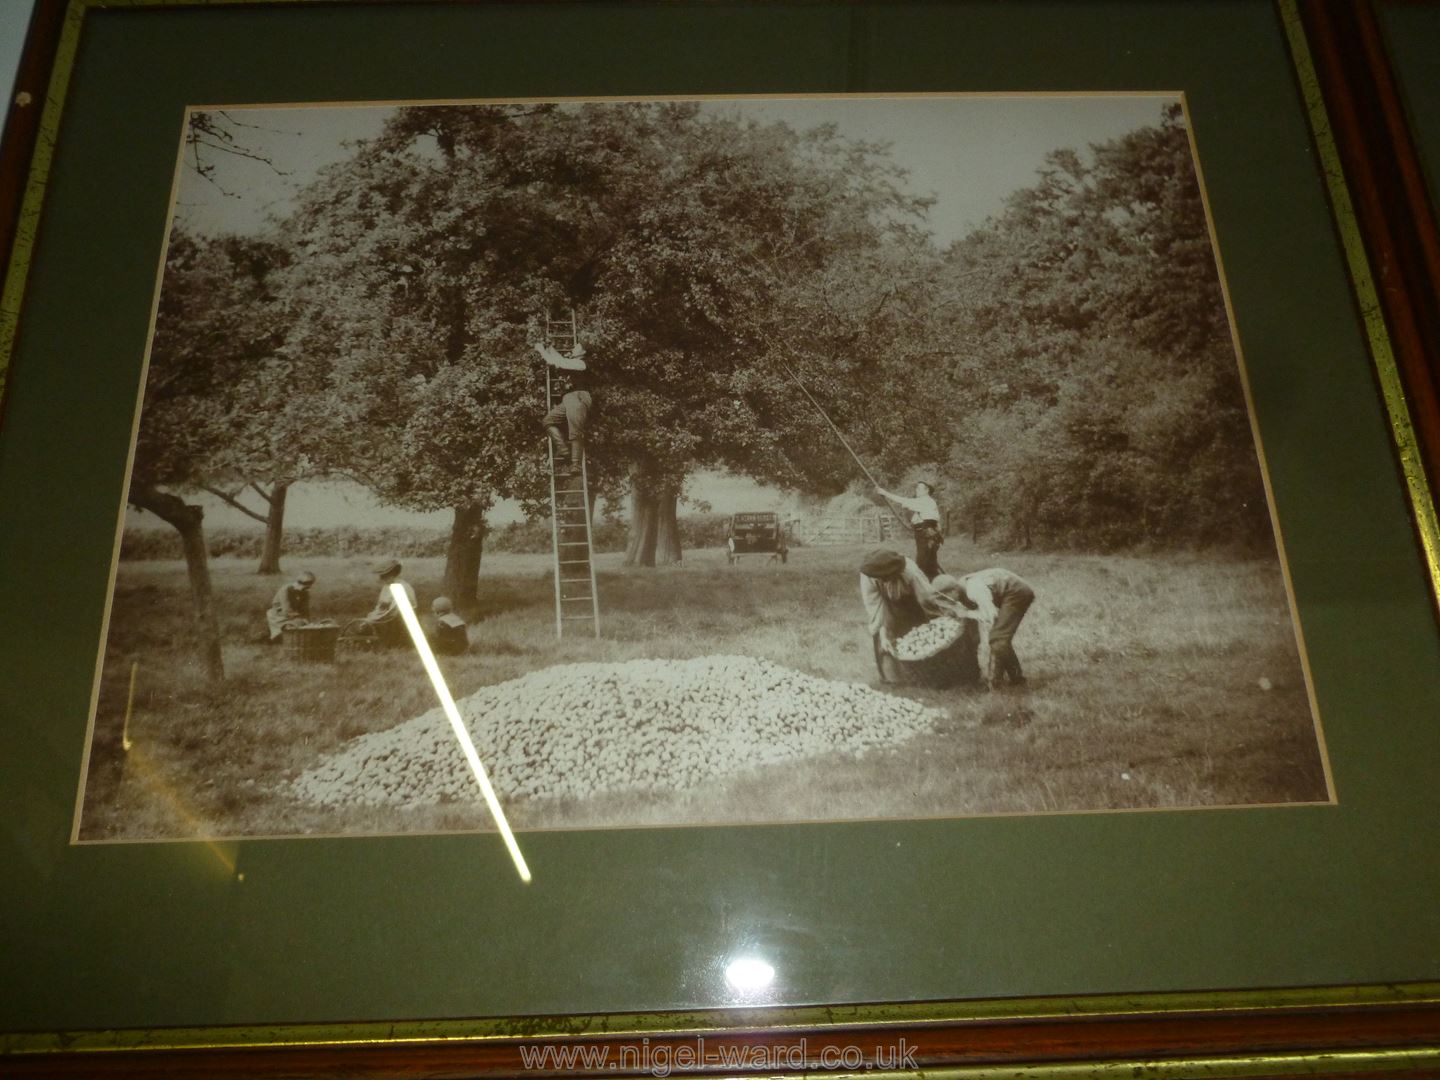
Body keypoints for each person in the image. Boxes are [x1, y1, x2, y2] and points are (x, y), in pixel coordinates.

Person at [858, 547, 977, 687]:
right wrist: (883, 634)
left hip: (910, 601)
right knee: (884, 639)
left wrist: (944, 617)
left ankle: (936, 675)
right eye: (881, 578)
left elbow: (927, 597)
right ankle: (893, 679)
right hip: (886, 605)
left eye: (887, 578)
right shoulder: (868, 575)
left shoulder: (910, 571)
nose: (884, 581)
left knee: (920, 635)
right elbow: (875, 607)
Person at [932, 569, 1035, 688]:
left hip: (1017, 592)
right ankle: (1017, 679)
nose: (946, 602)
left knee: (998, 640)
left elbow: (990, 616)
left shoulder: (974, 589)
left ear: (954, 590)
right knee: (999, 638)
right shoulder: (961, 589)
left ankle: (995, 684)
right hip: (1005, 593)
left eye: (945, 597)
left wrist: (965, 613)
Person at [538, 342, 592, 475]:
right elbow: (559, 360)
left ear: (583, 352)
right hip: (568, 398)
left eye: (577, 346)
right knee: (548, 421)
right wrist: (550, 348)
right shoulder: (572, 363)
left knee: (575, 428)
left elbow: (556, 361)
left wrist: (541, 350)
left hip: (578, 395)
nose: (574, 348)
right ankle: (564, 450)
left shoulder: (582, 363)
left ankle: (575, 465)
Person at [875, 480, 944, 580]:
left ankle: (922, 585)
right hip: (927, 534)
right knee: (930, 562)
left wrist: (884, 493)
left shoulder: (925, 501)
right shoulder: (928, 502)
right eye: (916, 488)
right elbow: (935, 521)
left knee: (922, 562)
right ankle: (936, 584)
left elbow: (903, 500)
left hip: (926, 535)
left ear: (927, 490)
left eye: (919, 488)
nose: (916, 490)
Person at [363, 559, 418, 647]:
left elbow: (393, 612)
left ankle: (392, 643)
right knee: (368, 621)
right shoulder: (387, 586)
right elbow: (381, 605)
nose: (381, 579)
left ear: (392, 575)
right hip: (391, 614)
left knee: (373, 624)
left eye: (384, 576)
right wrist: (373, 615)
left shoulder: (401, 588)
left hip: (402, 618)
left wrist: (374, 619)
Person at [265, 570, 315, 643]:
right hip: (279, 616)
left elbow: (305, 610)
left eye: (308, 588)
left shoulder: (304, 593)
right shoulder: (285, 590)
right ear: (300, 583)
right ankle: (278, 636)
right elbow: (286, 610)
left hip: (294, 616)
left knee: (304, 624)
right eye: (306, 587)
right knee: (293, 626)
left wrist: (306, 620)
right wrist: (299, 617)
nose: (307, 589)